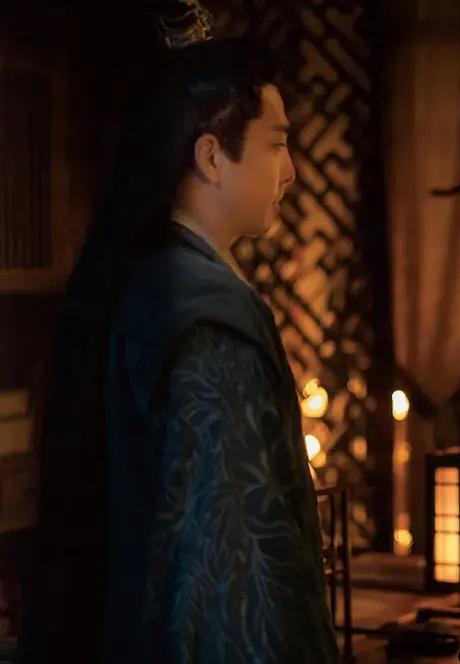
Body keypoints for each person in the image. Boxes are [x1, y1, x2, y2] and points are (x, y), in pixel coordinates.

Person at [20, 38, 339, 663]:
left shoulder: (140, 279)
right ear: (212, 157)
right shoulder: (207, 321)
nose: (292, 171)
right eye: (276, 144)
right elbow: (232, 580)